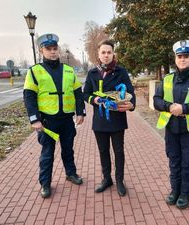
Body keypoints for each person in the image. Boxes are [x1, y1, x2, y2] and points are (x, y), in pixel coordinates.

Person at [23, 33, 86, 198]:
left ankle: (71, 173)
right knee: (47, 153)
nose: (52, 52)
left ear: (58, 49)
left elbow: (78, 93)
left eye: (54, 48)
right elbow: (29, 97)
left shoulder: (68, 70)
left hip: (66, 119)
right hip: (46, 121)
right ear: (41, 50)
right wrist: (34, 119)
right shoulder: (34, 72)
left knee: (68, 149)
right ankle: (45, 183)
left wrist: (81, 112)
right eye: (48, 49)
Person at [153, 40, 189, 209]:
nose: (183, 59)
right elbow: (156, 100)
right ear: (175, 58)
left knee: (188, 162)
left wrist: (184, 108)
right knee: (174, 161)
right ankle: (174, 191)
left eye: (186, 56)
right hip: (172, 128)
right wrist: (169, 106)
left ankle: (185, 193)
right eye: (180, 56)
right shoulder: (167, 78)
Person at [83, 39, 136, 196]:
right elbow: (86, 94)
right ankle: (107, 179)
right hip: (100, 120)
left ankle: (119, 180)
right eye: (103, 52)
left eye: (109, 52)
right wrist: (96, 100)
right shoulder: (92, 73)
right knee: (103, 150)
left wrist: (132, 105)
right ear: (98, 55)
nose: (106, 55)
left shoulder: (121, 72)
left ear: (113, 54)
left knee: (118, 151)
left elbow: (131, 93)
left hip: (117, 119)